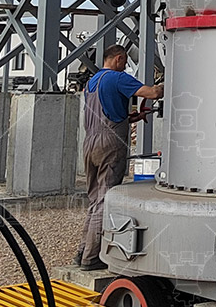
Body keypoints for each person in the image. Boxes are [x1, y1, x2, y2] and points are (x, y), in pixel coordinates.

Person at [76, 44, 163, 271]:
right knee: (106, 198)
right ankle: (91, 258)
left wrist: (131, 117)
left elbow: (108, 113)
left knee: (95, 198)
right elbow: (152, 93)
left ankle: (82, 250)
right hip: (109, 144)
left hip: (90, 142)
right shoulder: (117, 77)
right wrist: (170, 82)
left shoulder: (92, 82)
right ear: (118, 58)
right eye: (124, 62)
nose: (126, 66)